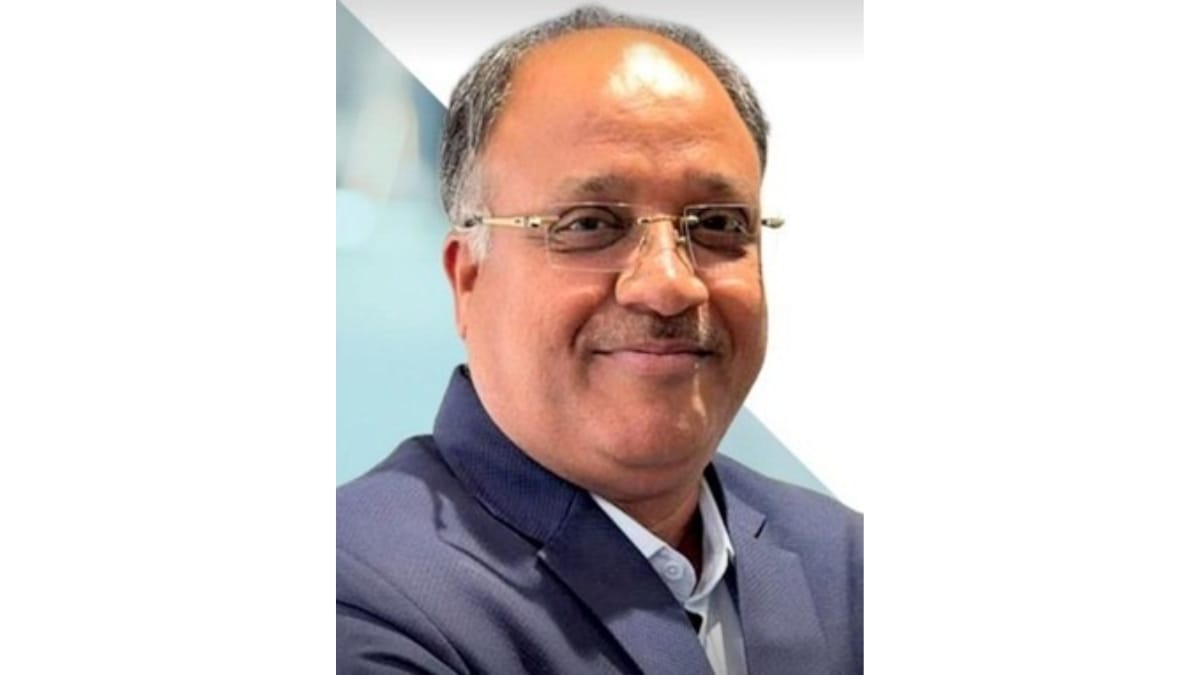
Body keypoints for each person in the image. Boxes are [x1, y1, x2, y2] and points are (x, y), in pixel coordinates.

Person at [337, 6, 862, 674]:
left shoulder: (847, 561)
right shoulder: (357, 595)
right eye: (589, 224)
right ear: (468, 278)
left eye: (718, 223)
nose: (670, 284)